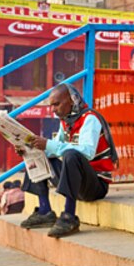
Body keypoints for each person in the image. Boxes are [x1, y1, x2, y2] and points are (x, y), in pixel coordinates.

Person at [18, 82, 118, 238]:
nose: (53, 110)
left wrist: (50, 144)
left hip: (95, 185)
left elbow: (87, 152)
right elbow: (54, 149)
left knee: (71, 155)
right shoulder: (65, 122)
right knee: (39, 154)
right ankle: (45, 210)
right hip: (78, 183)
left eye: (57, 104)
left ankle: (69, 216)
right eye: (51, 106)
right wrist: (32, 149)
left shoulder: (90, 119)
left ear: (71, 100)